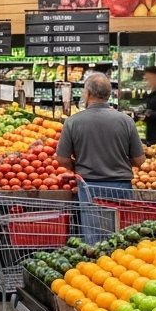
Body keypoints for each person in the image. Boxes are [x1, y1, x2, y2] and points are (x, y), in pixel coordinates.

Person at [55, 74, 146, 242]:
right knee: (123, 237)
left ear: (88, 93)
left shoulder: (73, 122)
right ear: (109, 94)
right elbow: (140, 160)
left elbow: (62, 159)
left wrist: (77, 167)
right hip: (121, 186)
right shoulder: (126, 121)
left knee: (94, 238)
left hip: (90, 186)